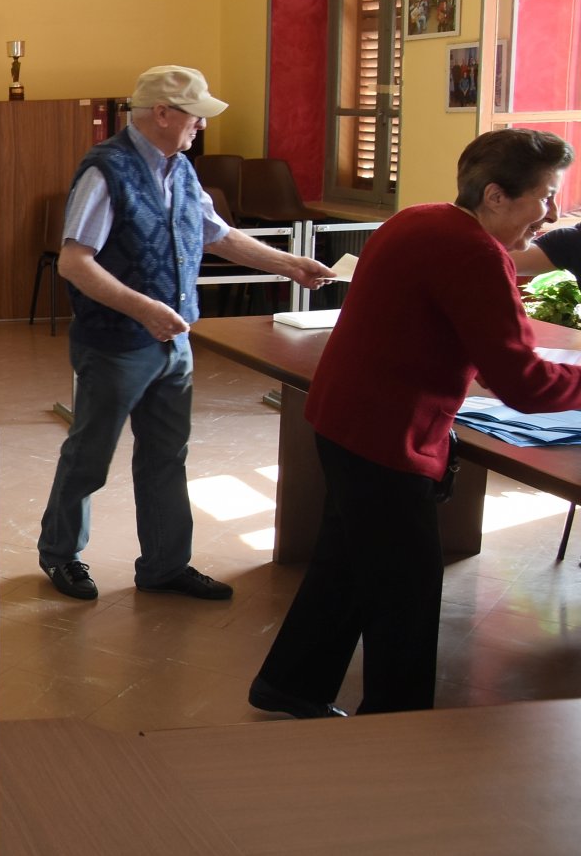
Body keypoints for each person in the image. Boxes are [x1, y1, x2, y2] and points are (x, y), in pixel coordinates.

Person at [251, 129, 581, 717]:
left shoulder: (420, 219)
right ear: (497, 196)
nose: (553, 215)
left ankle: (291, 685)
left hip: (344, 420)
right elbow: (522, 383)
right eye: (546, 196)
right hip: (387, 438)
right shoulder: (476, 254)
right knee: (406, 594)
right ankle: (397, 728)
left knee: (347, 564)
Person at [38, 66, 331, 602]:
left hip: (173, 343)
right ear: (162, 114)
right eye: (195, 115)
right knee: (91, 455)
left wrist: (291, 264)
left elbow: (219, 236)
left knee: (167, 456)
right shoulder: (106, 171)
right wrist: (144, 308)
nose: (202, 124)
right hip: (116, 345)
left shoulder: (182, 170)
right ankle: (60, 554)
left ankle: (165, 566)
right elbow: (75, 262)